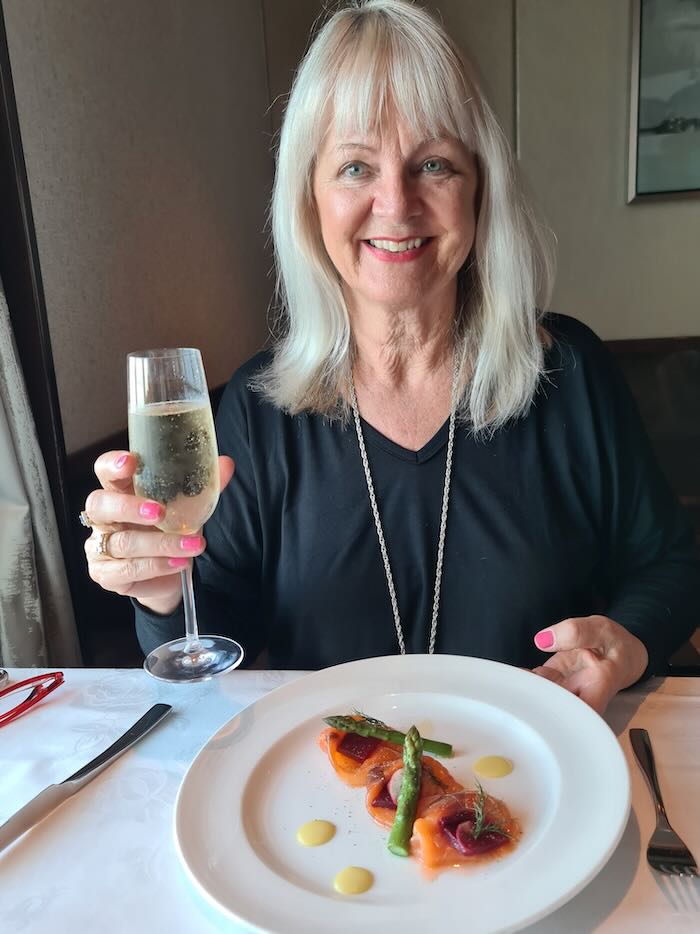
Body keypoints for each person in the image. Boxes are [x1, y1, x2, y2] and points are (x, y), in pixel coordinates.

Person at [82, 0, 699, 714]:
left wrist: (625, 643)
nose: (396, 203)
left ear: (479, 190)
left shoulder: (570, 371)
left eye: (433, 163)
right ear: (309, 200)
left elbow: (672, 569)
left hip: (537, 791)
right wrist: (162, 591)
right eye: (354, 167)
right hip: (329, 798)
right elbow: (225, 639)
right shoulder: (256, 405)